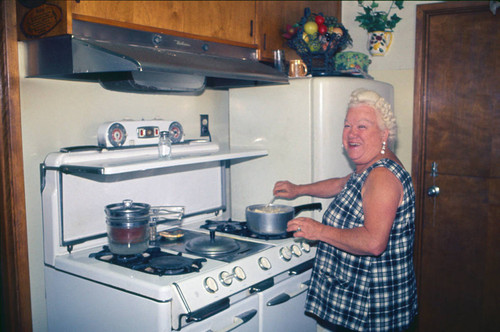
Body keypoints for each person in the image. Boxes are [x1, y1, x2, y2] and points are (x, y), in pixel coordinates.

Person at [273, 88, 418, 332]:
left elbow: (374, 242)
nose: (352, 133)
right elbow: (341, 184)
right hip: (364, 302)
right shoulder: (370, 167)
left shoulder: (382, 175)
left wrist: (319, 230)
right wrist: (298, 189)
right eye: (347, 125)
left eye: (362, 126)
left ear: (384, 135)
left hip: (371, 310)